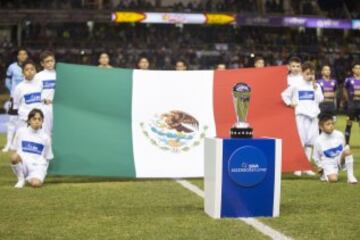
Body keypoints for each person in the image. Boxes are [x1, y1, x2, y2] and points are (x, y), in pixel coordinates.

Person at [281, 61, 324, 176]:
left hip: (313, 117)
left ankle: (306, 167)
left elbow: (320, 99)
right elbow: (284, 95)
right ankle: (297, 167)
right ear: (302, 73)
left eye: (312, 74)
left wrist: (316, 88)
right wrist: (290, 103)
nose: (310, 76)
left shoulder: (316, 86)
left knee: (311, 142)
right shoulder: (296, 85)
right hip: (301, 117)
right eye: (308, 74)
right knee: (301, 142)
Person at [10, 108, 53, 188]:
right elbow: (14, 149)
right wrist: (17, 163)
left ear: (42, 122)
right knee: (14, 157)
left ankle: (32, 178)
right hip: (23, 164)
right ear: (29, 121)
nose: (37, 121)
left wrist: (42, 171)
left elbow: (47, 157)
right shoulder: (21, 131)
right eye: (34, 119)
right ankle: (21, 179)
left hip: (37, 166)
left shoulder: (46, 137)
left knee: (36, 184)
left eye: (39, 119)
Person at [313, 113, 357, 183]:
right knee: (333, 180)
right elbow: (316, 157)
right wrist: (320, 166)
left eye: (332, 123)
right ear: (321, 127)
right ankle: (324, 173)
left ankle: (350, 177)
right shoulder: (318, 140)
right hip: (328, 162)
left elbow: (343, 148)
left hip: (339, 158)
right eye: (328, 124)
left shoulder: (339, 134)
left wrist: (342, 158)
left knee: (347, 151)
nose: (331, 126)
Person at [2, 48, 28, 152]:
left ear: (27, 56)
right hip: (15, 98)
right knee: (12, 121)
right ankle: (8, 144)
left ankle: (17, 144)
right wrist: (13, 91)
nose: (22, 56)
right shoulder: (11, 67)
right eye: (20, 54)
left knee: (23, 122)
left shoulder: (30, 67)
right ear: (17, 56)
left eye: (24, 54)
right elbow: (7, 81)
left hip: (26, 99)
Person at [12, 60, 42, 129]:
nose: (30, 71)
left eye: (32, 69)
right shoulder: (19, 87)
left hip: (38, 121)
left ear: (35, 71)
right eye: (27, 69)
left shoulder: (40, 84)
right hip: (23, 122)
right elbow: (16, 105)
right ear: (23, 73)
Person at [35, 51, 56, 136]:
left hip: (58, 107)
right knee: (45, 132)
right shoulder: (38, 76)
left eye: (52, 61)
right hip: (44, 107)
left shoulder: (59, 74)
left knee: (57, 132)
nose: (50, 63)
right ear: (42, 64)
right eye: (47, 61)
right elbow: (35, 93)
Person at [343, 62, 360, 145]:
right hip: (352, 104)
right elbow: (344, 89)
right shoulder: (349, 80)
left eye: (359, 68)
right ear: (353, 70)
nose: (358, 70)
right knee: (349, 123)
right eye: (356, 68)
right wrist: (347, 100)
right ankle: (347, 143)